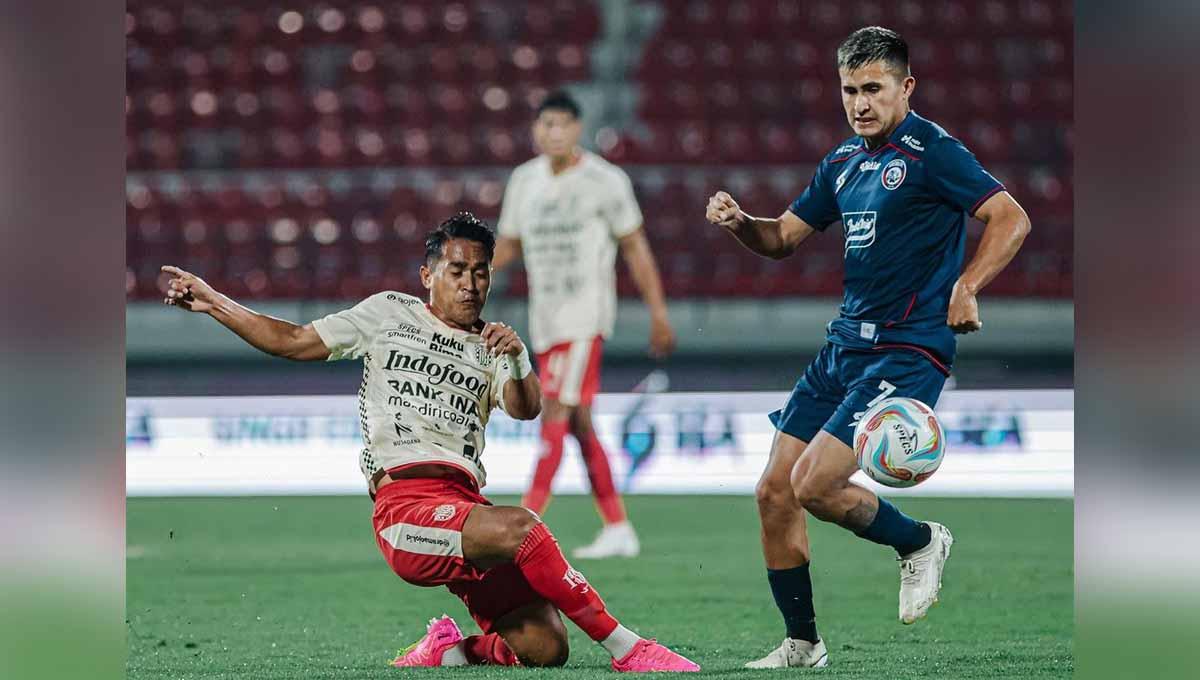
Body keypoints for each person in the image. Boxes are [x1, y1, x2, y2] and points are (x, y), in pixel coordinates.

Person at [160, 212, 698, 672]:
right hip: (405, 508)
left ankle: (448, 652)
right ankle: (629, 649)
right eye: (457, 270)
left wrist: (516, 357)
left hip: (465, 508)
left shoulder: (494, 345)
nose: (470, 283)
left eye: (481, 273)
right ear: (428, 275)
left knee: (544, 647)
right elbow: (292, 340)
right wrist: (213, 302)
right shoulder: (387, 314)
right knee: (523, 528)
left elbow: (527, 408)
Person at [705, 27, 1032, 668]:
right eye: (850, 90)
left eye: (874, 89)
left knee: (815, 486)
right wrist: (744, 224)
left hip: (907, 350)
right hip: (844, 347)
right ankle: (802, 645)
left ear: (906, 87)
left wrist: (968, 284)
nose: (860, 103)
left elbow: (1010, 216)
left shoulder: (933, 152)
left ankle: (917, 542)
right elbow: (782, 239)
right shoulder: (842, 164)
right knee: (774, 492)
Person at [492, 89, 676, 559]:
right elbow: (509, 245)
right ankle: (617, 526)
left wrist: (658, 312)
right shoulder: (523, 181)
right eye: (545, 124)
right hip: (545, 320)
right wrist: (471, 271)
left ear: (576, 130)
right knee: (579, 424)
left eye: (561, 124)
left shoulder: (605, 180)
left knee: (553, 412)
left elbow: (634, 245)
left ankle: (522, 527)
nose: (553, 132)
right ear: (535, 131)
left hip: (584, 317)